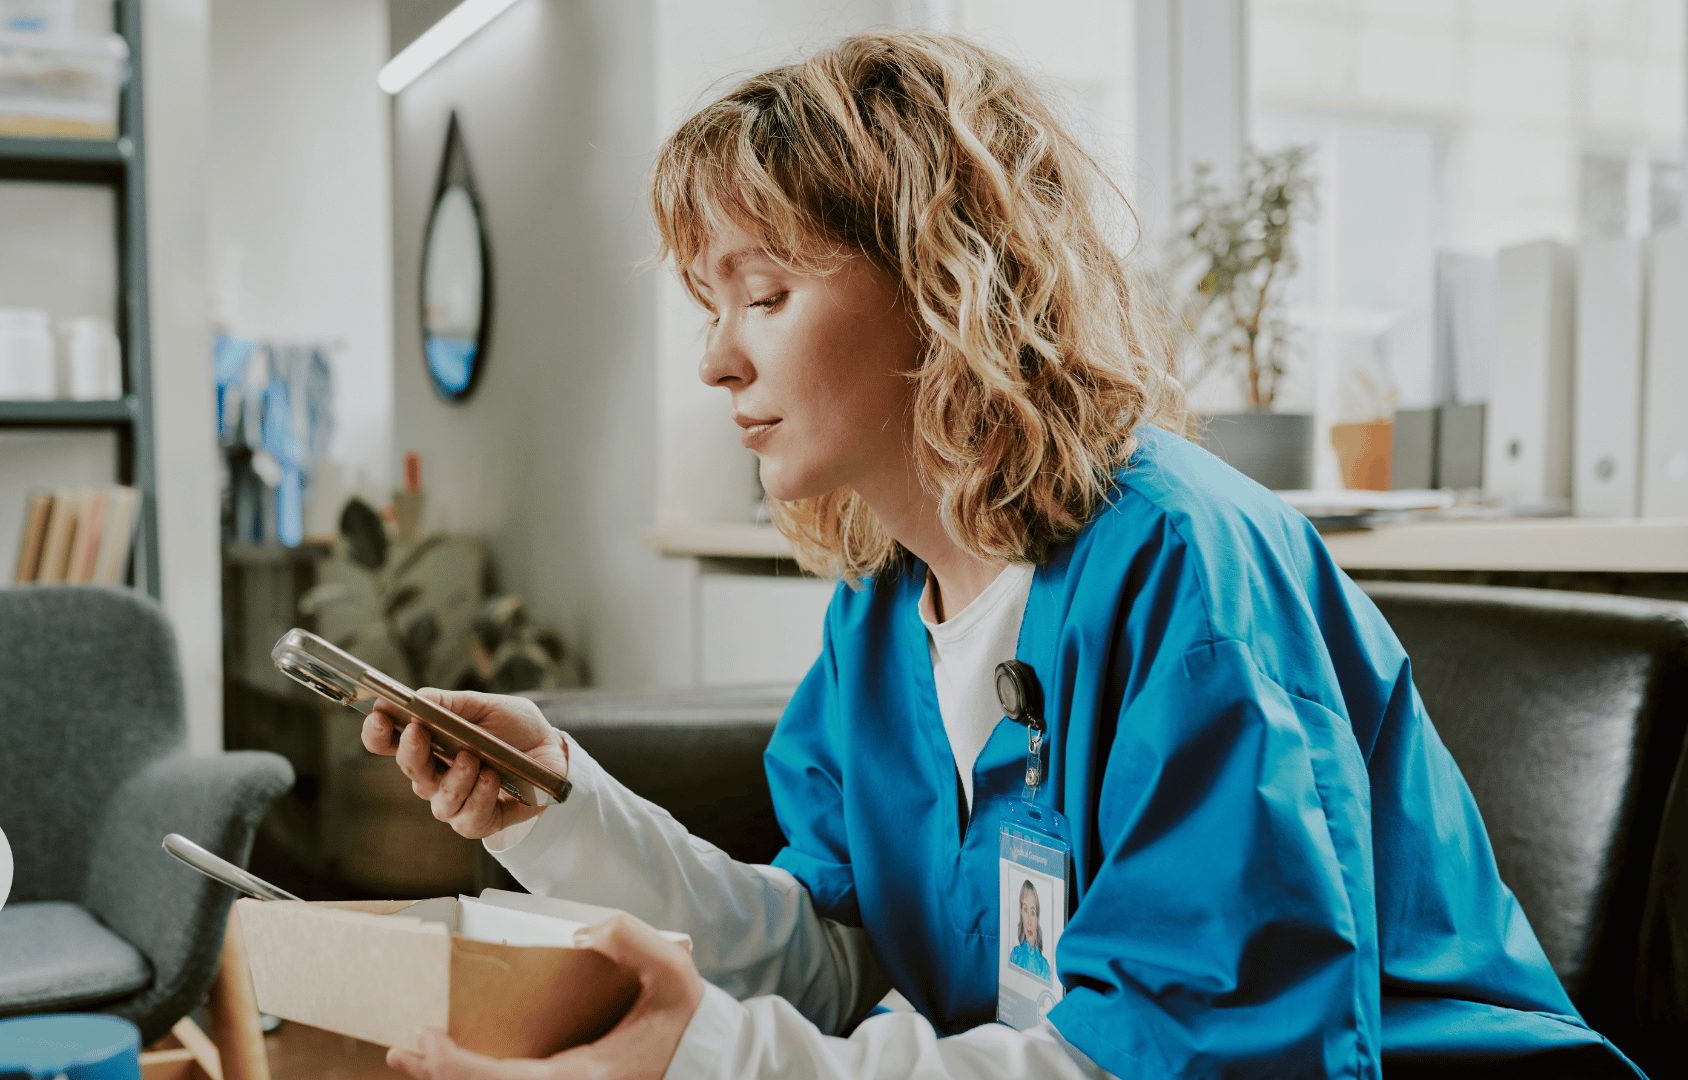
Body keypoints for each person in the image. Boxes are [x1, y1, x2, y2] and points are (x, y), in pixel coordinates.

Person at [361, 28, 1643, 1080]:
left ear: (941, 279)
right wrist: (569, 812)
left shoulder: (1187, 574)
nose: (717, 358)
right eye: (711, 304)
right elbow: (843, 954)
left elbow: (1193, 1055)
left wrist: (711, 1059)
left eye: (765, 294)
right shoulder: (883, 610)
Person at [1006, 881, 1050, 982]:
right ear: (1021, 912)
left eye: (1033, 913)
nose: (1029, 921)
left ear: (1038, 918)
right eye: (1025, 910)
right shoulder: (1015, 955)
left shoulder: (1044, 966)